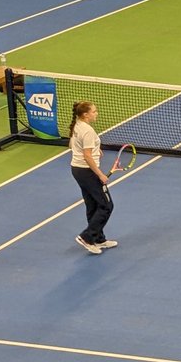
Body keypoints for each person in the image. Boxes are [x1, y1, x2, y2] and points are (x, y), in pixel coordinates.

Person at [68, 101, 117, 255]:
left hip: (77, 170)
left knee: (93, 205)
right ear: (85, 114)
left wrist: (96, 149)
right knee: (106, 205)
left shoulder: (77, 125)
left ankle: (98, 239)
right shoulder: (87, 131)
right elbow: (87, 155)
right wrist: (100, 174)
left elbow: (73, 145)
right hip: (87, 172)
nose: (96, 113)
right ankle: (87, 237)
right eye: (94, 111)